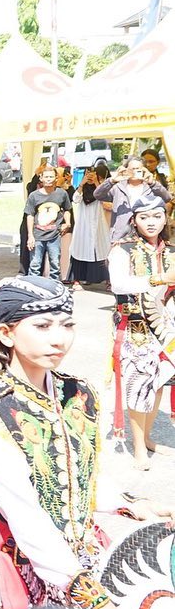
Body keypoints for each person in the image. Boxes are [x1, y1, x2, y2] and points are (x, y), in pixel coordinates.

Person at [0, 275, 175, 609]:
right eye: (42, 326)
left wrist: (131, 506)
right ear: (7, 334)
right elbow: (23, 512)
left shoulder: (79, 393)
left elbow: (83, 475)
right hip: (10, 558)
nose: (59, 338)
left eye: (67, 324)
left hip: (79, 553)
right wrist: (91, 597)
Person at [107, 194, 175, 470]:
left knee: (159, 380)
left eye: (157, 216)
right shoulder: (121, 250)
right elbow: (119, 284)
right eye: (144, 217)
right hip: (134, 325)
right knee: (138, 385)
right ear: (133, 221)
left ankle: (147, 438)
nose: (151, 222)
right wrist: (159, 278)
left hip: (165, 326)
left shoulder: (170, 250)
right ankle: (137, 446)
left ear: (165, 218)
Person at [94, 154, 171, 242]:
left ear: (144, 170)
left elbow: (167, 198)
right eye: (132, 169)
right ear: (126, 170)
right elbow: (98, 195)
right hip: (121, 234)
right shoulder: (118, 187)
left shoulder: (151, 187)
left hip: (146, 233)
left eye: (138, 169)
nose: (135, 172)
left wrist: (152, 183)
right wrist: (112, 180)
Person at [65, 168, 110, 290]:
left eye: (93, 175)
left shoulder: (101, 188)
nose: (90, 177)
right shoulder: (82, 188)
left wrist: (96, 183)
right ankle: (77, 280)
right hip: (83, 225)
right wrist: (82, 184)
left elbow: (105, 199)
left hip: (99, 224)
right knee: (79, 249)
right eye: (88, 174)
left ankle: (108, 280)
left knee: (103, 249)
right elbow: (75, 199)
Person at [24, 167, 72, 277]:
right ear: (41, 178)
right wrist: (30, 236)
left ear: (56, 178)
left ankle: (54, 289)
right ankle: (34, 290)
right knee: (35, 265)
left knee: (55, 265)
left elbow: (67, 209)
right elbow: (30, 215)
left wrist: (67, 223)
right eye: (46, 177)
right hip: (38, 236)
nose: (49, 179)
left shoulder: (62, 194)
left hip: (54, 236)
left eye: (51, 177)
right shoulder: (34, 196)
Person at [18, 159, 49, 274]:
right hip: (30, 220)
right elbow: (30, 189)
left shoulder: (52, 190)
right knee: (27, 245)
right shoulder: (31, 186)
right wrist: (37, 173)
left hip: (44, 222)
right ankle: (25, 270)